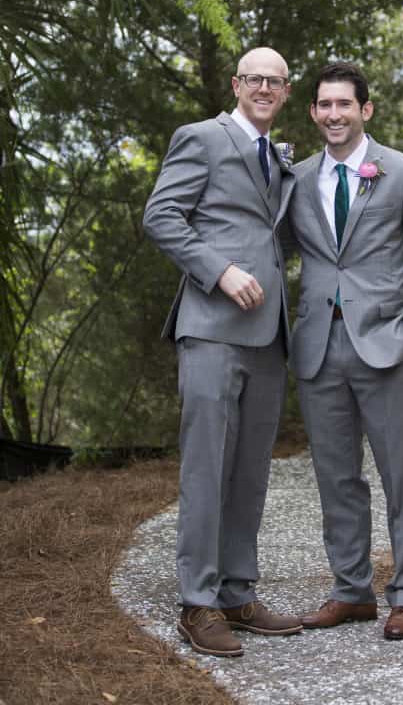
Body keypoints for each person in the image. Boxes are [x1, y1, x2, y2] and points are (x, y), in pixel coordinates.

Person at [143, 46, 302, 658]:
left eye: (276, 81)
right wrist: (219, 271)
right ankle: (198, 603)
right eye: (254, 78)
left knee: (249, 472)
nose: (264, 87)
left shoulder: (278, 156)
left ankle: (238, 592)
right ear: (237, 84)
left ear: (286, 91)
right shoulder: (201, 138)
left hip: (269, 335)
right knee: (206, 467)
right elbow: (162, 216)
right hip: (211, 327)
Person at [287, 61, 403, 641]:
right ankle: (351, 591)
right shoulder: (297, 179)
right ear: (313, 111)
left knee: (402, 476)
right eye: (324, 105)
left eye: (344, 105)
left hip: (388, 347)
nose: (334, 115)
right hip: (318, 350)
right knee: (336, 478)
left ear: (365, 110)